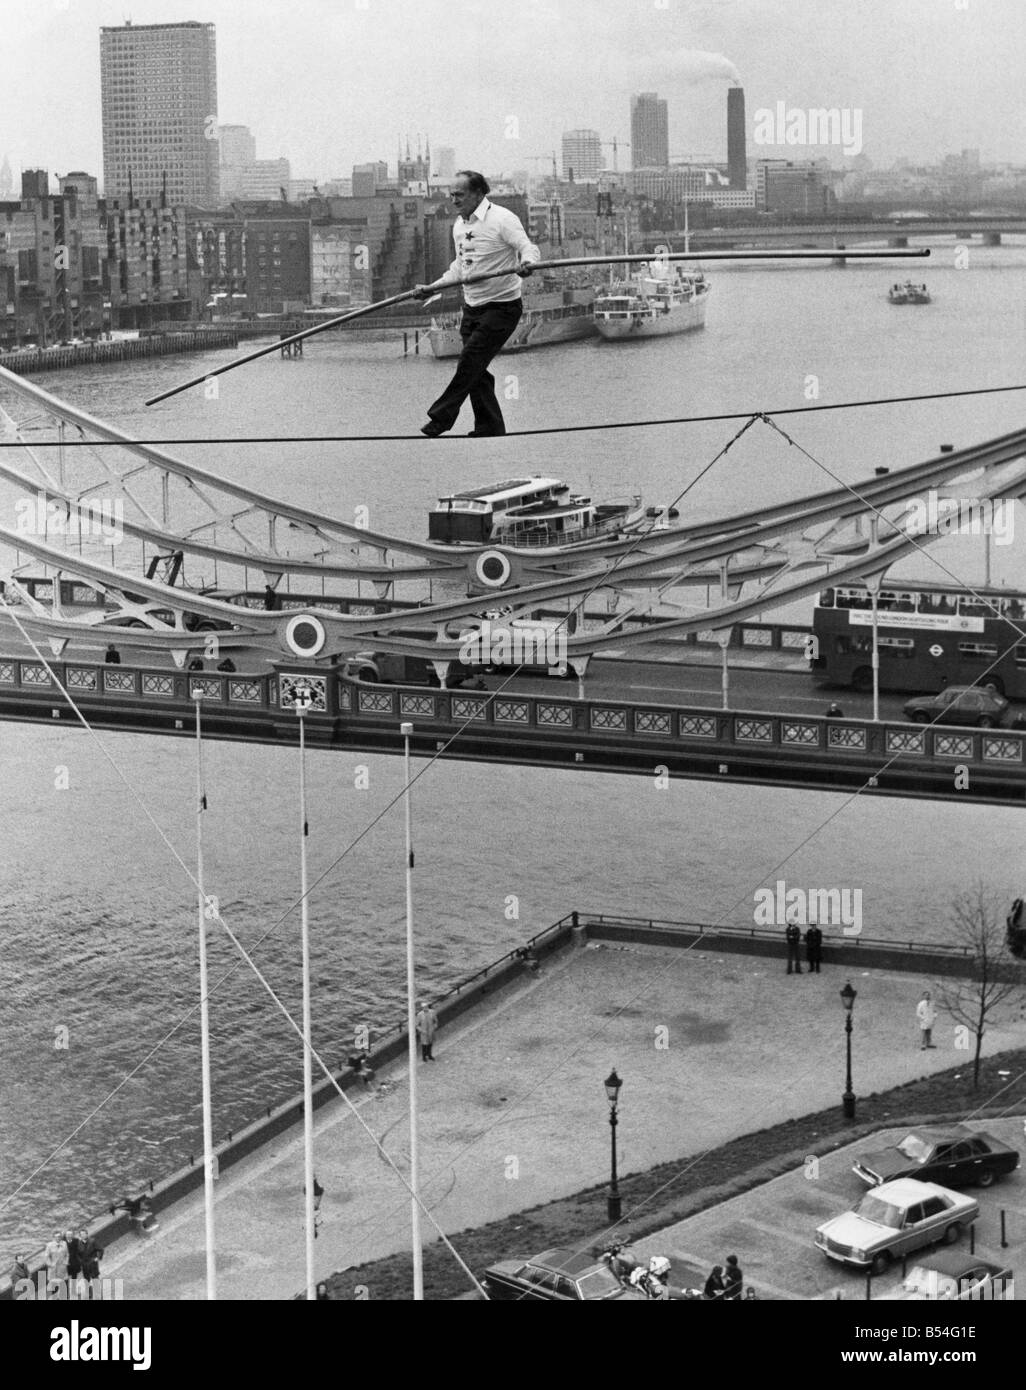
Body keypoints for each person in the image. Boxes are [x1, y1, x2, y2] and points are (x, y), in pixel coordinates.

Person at [413, 170, 540, 437]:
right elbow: (459, 269)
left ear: (479, 193)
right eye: (452, 195)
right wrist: (432, 289)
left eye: (460, 194)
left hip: (502, 307)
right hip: (472, 308)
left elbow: (528, 247)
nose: (454, 200)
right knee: (476, 369)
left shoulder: (502, 219)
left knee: (470, 361)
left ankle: (442, 417)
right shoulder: (459, 226)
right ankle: (490, 424)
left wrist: (528, 264)